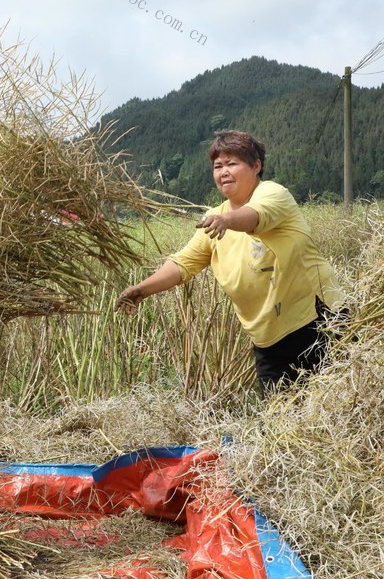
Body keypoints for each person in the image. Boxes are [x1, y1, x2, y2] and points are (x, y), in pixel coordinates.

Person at [116, 130, 342, 394]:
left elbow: (257, 215)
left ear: (256, 166)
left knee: (338, 411)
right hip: (267, 339)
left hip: (318, 322)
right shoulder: (214, 217)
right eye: (217, 166)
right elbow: (183, 263)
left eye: (232, 163)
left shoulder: (272, 193)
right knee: (282, 422)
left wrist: (227, 222)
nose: (224, 171)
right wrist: (141, 290)